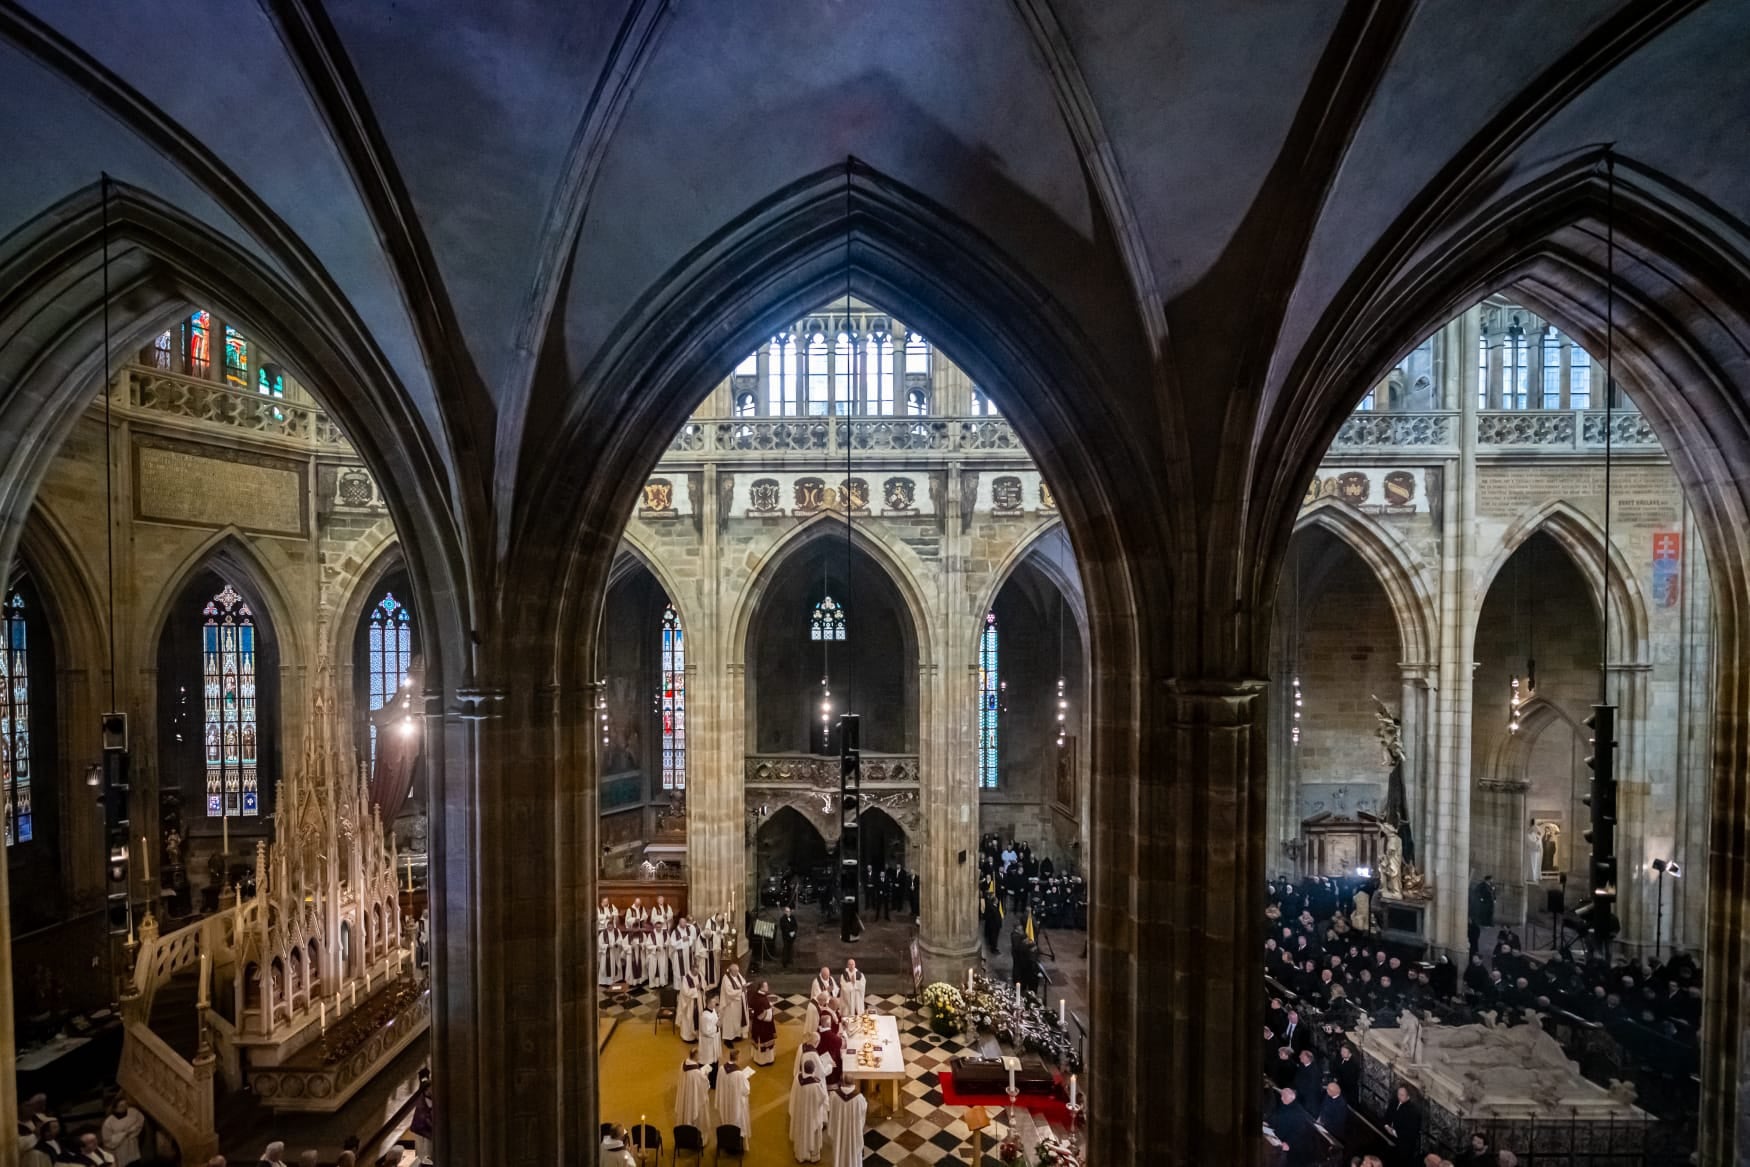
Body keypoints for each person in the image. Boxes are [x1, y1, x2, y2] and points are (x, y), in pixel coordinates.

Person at [789, 1051, 829, 1163]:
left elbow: (794, 1094)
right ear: (813, 1069)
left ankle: (800, 1155)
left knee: (801, 1132)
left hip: (801, 1112)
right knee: (811, 1133)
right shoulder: (815, 1085)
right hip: (811, 1115)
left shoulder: (798, 1079)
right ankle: (813, 1156)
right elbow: (822, 1099)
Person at [1266, 1087, 1320, 1167]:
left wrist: (1288, 1143)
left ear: (1291, 1098)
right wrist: (1268, 1122)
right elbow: (1277, 1115)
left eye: (1284, 1096)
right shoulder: (1286, 1103)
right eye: (1281, 1096)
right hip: (1279, 1135)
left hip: (1293, 1148)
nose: (1281, 1098)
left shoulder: (1298, 1112)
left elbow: (1299, 1131)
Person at [825, 1081, 867, 1167]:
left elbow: (830, 1110)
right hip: (853, 1134)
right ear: (853, 1084)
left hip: (839, 1132)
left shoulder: (834, 1096)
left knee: (838, 1150)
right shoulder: (859, 1098)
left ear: (843, 1083)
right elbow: (863, 1111)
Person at [718, 1053, 754, 1143]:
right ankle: (735, 1142)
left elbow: (719, 1084)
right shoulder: (739, 1074)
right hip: (735, 1104)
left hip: (725, 1101)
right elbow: (746, 1090)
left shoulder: (722, 1069)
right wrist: (746, 1079)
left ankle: (726, 1138)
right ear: (737, 1057)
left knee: (727, 1119)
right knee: (736, 1121)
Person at [1383, 1084, 1423, 1167]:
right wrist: (1387, 1126)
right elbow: (1387, 1115)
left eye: (1401, 1095)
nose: (1399, 1096)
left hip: (1403, 1145)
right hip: (1389, 1137)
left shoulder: (1413, 1112)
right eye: (1398, 1094)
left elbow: (1411, 1132)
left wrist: (1394, 1132)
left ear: (1408, 1097)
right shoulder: (1394, 1102)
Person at [675, 1050, 711, 1130]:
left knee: (685, 1109)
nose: (700, 1057)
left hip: (685, 1094)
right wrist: (706, 1075)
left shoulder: (683, 1064)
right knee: (692, 1112)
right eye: (698, 1055)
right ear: (695, 1056)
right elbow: (704, 1085)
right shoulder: (696, 1072)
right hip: (692, 1098)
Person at [100, 1100, 143, 1167]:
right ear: (115, 1108)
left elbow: (140, 1120)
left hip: (132, 1147)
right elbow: (108, 1140)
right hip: (120, 1150)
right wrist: (125, 1133)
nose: (125, 1107)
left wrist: (133, 1132)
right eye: (121, 1106)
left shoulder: (133, 1112)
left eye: (126, 1104)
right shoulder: (109, 1122)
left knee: (134, 1163)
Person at [748, 980, 777, 1065]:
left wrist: (769, 1008)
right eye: (766, 986)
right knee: (764, 1041)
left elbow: (755, 1007)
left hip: (757, 1024)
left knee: (759, 1040)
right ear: (761, 987)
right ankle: (764, 1061)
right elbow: (762, 1015)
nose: (767, 987)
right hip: (763, 1026)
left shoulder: (756, 995)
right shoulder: (761, 999)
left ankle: (758, 1058)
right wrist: (770, 1010)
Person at [720, 963, 750, 1043]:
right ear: (731, 971)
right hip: (731, 1005)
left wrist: (744, 985)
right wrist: (741, 990)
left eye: (738, 971)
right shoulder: (726, 979)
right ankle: (728, 1039)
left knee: (737, 1020)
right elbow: (729, 992)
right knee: (730, 1021)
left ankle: (737, 1035)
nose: (737, 973)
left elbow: (743, 981)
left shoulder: (737, 974)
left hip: (739, 1004)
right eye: (736, 971)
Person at [1315, 1079, 1350, 1145]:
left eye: (1328, 1089)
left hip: (1333, 1131)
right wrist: (1320, 1118)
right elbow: (1323, 1106)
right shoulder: (1329, 1095)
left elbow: (1338, 1121)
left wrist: (1324, 1124)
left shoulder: (1341, 1105)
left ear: (1333, 1092)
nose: (1326, 1090)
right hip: (1323, 1124)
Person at [676, 968, 704, 1042]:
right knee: (689, 1019)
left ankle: (696, 1035)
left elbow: (703, 985)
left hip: (698, 1001)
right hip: (689, 1004)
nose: (697, 974)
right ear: (692, 971)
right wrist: (696, 988)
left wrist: (702, 988)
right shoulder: (686, 979)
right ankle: (687, 1037)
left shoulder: (699, 975)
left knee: (698, 1017)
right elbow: (686, 992)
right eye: (695, 972)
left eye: (698, 972)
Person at [698, 997, 723, 1071]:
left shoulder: (713, 1011)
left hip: (714, 1041)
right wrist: (717, 1026)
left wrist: (718, 1019)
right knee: (707, 1063)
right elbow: (706, 1031)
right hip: (708, 1044)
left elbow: (715, 1020)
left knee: (714, 1062)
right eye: (713, 1001)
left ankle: (713, 1080)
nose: (715, 1002)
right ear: (708, 1003)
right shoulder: (705, 1016)